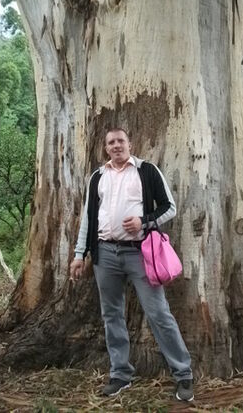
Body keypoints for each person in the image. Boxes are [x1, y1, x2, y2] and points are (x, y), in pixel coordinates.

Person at [70, 128, 194, 402]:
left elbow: (169, 207)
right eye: (111, 142)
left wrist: (143, 221)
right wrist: (80, 254)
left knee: (159, 313)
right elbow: (88, 218)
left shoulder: (146, 171)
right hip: (105, 253)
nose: (116, 145)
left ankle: (183, 374)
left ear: (130, 144)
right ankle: (120, 374)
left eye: (121, 141)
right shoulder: (98, 176)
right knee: (111, 315)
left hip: (140, 253)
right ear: (106, 148)